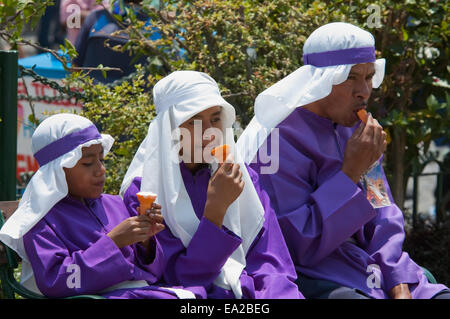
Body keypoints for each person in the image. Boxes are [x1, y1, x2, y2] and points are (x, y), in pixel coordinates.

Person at [237, 22, 450, 299]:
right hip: (319, 274)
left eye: (369, 76)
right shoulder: (275, 142)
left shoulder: (358, 130)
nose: (364, 91)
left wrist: (398, 281)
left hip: (379, 268)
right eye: (351, 77)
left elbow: (382, 207)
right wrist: (349, 174)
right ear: (321, 79)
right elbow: (297, 245)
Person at [120, 71, 303, 299]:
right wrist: (216, 210)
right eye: (194, 122)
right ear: (170, 129)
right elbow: (180, 278)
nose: (209, 134)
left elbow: (271, 263)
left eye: (216, 119)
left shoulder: (241, 177)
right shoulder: (145, 192)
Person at [0, 113, 205, 299]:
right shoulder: (41, 219)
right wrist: (113, 242)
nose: (100, 170)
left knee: (204, 293)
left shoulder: (114, 203)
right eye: (88, 163)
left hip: (137, 293)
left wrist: (145, 241)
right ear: (58, 171)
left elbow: (153, 273)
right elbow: (56, 281)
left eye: (101, 159)